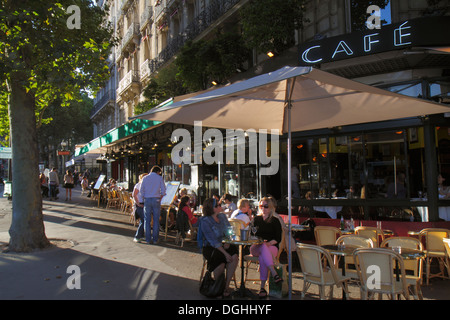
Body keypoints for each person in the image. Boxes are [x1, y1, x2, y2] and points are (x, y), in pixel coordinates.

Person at [200, 197, 239, 298]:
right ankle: (218, 288)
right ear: (211, 208)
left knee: (234, 255)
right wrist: (225, 253)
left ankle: (225, 287)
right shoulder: (205, 221)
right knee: (220, 262)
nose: (220, 206)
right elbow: (212, 240)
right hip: (211, 247)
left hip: (223, 244)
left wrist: (228, 241)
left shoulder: (222, 217)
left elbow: (228, 231)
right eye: (217, 205)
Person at [249, 197, 283, 298]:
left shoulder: (275, 220)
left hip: (271, 246)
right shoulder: (256, 219)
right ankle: (274, 272)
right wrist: (259, 242)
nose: (263, 208)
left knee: (263, 257)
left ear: (271, 207)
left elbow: (278, 238)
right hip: (256, 247)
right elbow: (252, 235)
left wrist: (267, 244)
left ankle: (262, 288)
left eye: (266, 206)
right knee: (262, 246)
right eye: (261, 206)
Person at [140, 165, 166, 244]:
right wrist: (160, 197)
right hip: (156, 199)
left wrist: (144, 197)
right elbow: (163, 190)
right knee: (156, 220)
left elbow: (141, 190)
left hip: (147, 199)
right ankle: (155, 239)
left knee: (147, 220)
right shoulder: (159, 178)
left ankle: (148, 239)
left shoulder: (145, 178)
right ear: (158, 172)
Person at [133, 173, 148, 243]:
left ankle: (141, 235)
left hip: (144, 204)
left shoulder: (145, 186)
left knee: (143, 220)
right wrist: (138, 203)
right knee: (143, 220)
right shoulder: (139, 185)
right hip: (140, 205)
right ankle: (138, 236)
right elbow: (134, 194)